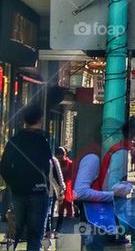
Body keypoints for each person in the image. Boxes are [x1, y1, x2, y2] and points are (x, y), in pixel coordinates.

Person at [0, 105, 51, 251]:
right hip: (38, 192)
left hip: (18, 193)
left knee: (13, 233)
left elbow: (3, 167)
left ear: (24, 120)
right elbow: (47, 167)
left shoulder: (14, 141)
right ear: (40, 119)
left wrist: (14, 183)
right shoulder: (43, 141)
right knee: (35, 236)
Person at [54, 147, 76, 231]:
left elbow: (72, 176)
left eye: (62, 155)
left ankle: (68, 227)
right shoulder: (55, 163)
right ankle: (59, 227)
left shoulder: (70, 163)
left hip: (68, 187)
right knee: (60, 208)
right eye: (58, 156)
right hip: (58, 187)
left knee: (68, 206)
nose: (60, 158)